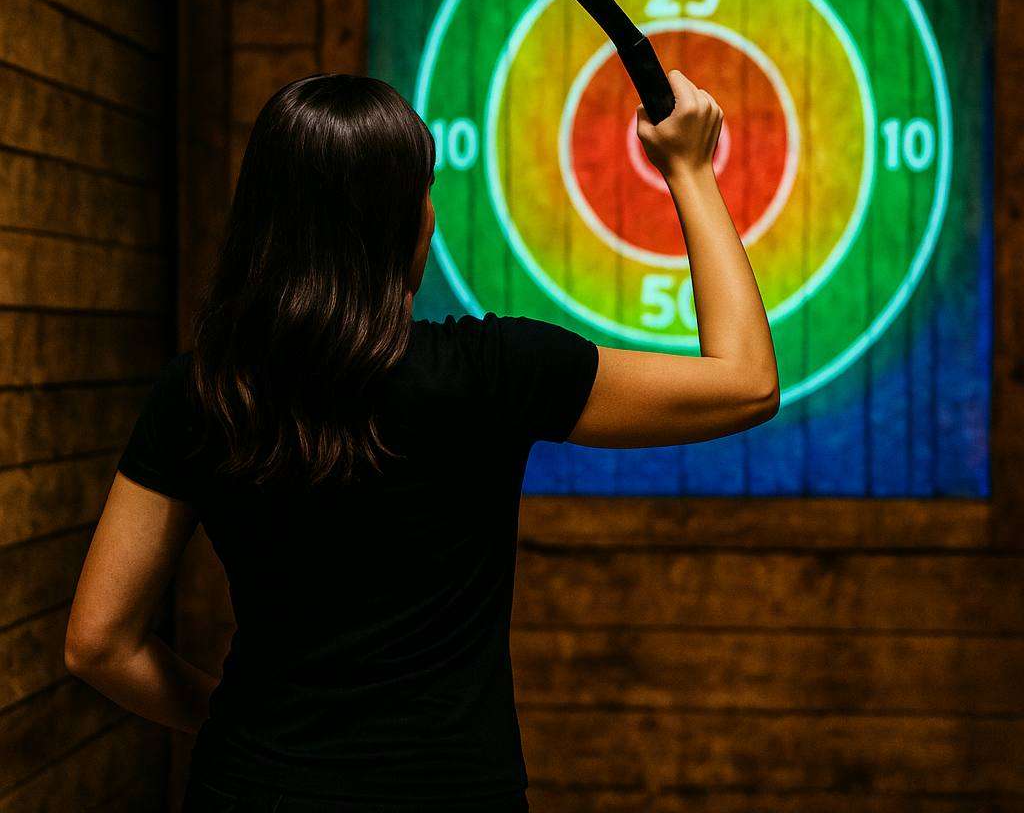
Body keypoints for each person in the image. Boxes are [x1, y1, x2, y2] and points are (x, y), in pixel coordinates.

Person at [64, 70, 778, 812]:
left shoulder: (203, 389)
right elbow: (748, 382)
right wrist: (690, 169)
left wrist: (237, 724)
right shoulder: (493, 372)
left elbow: (99, 644)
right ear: (407, 219)